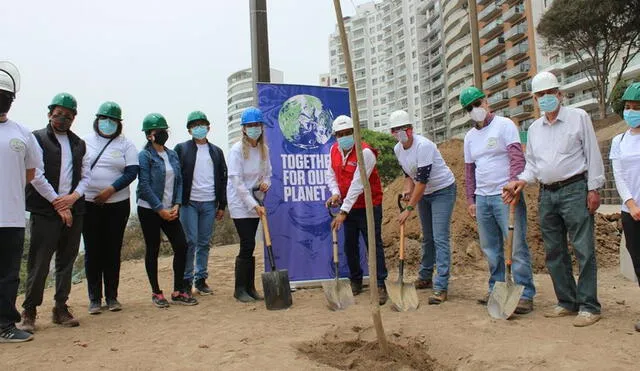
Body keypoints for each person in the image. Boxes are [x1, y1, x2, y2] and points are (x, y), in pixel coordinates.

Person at [503, 71, 605, 327]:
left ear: (560, 94)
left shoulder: (578, 118)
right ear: (535, 99)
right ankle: (567, 301)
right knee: (554, 251)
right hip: (546, 194)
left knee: (583, 249)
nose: (546, 98)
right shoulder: (535, 129)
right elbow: (533, 166)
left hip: (574, 189)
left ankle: (589, 305)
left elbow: (592, 154)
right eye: (540, 95)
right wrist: (520, 180)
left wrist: (594, 188)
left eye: (550, 93)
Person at [460, 86, 535, 314]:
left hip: (505, 195)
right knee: (491, 248)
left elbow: (516, 158)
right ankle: (497, 288)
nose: (475, 110)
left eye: (477, 104)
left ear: (486, 101)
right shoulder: (470, 138)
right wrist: (471, 200)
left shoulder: (505, 125)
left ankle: (525, 294)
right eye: (469, 108)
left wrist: (514, 184)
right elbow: (469, 171)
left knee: (517, 246)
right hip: (482, 198)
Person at [21, 93, 92, 331]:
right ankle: (29, 311)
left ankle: (60, 307)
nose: (62, 118)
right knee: (39, 262)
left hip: (74, 210)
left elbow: (86, 176)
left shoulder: (78, 143)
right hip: (45, 210)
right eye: (58, 113)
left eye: (68, 114)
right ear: (50, 113)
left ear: (74, 117)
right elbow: (35, 174)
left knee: (66, 260)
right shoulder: (36, 139)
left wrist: (72, 199)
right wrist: (57, 203)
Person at [390, 110, 456, 305]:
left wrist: (409, 209)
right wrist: (406, 190)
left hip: (443, 190)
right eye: (396, 130)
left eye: (404, 129)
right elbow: (409, 176)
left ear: (411, 129)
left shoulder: (424, 146)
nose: (401, 133)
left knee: (440, 237)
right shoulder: (398, 150)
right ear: (392, 132)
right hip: (424, 194)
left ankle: (441, 286)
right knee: (427, 237)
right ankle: (425, 276)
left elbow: (422, 181)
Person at [325, 115, 389, 305]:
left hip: (369, 205)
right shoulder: (333, 150)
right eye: (340, 134)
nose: (344, 136)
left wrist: (343, 212)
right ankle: (356, 281)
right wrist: (336, 193)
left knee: (373, 245)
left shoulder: (365, 152)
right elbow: (331, 175)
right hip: (349, 206)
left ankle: (379, 284)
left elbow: (357, 185)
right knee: (349, 246)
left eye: (348, 133)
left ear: (354, 132)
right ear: (335, 135)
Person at [82, 102, 138, 314]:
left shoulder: (126, 144)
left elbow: (132, 172)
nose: (108, 123)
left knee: (112, 251)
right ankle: (94, 299)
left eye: (112, 120)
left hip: (117, 205)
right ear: (97, 120)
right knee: (92, 251)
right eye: (104, 119)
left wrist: (110, 190)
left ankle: (112, 297)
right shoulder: (84, 142)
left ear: (119, 124)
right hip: (89, 204)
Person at [137, 113, 197, 308]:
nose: (162, 134)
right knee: (152, 249)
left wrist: (177, 204)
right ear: (149, 135)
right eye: (158, 131)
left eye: (164, 130)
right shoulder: (144, 156)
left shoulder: (171, 154)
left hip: (171, 209)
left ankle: (178, 290)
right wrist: (159, 209)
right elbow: (144, 186)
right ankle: (156, 292)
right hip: (149, 210)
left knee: (182, 245)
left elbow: (179, 181)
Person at [0, 62, 39, 343]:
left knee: (9, 275)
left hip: (12, 217)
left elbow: (30, 172)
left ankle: (5, 325)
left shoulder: (22, 134)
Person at [174, 111, 227, 295]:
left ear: (208, 127)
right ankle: (186, 280)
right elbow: (176, 177)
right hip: (189, 203)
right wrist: (176, 202)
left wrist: (222, 205)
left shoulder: (217, 151)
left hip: (209, 203)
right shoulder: (181, 149)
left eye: (202, 124)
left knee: (204, 242)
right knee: (190, 241)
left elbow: (223, 178)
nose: (199, 128)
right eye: (194, 125)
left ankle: (201, 279)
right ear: (189, 130)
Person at [226, 106, 271, 303]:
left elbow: (268, 174)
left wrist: (265, 184)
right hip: (240, 202)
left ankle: (251, 287)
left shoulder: (263, 149)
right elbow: (237, 182)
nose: (254, 129)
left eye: (257, 125)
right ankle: (239, 289)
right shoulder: (237, 150)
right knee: (247, 243)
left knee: (251, 244)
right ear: (244, 128)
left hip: (256, 200)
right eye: (250, 125)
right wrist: (253, 205)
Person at [609, 82, 640, 331]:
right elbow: (618, 175)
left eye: (637, 107)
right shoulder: (619, 141)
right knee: (638, 260)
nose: (631, 111)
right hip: (630, 211)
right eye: (628, 107)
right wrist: (631, 204)